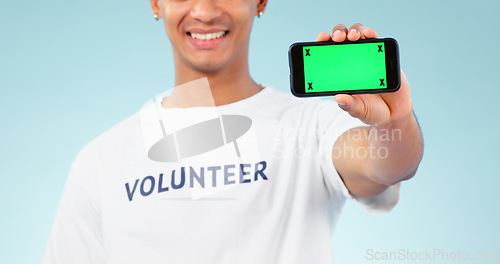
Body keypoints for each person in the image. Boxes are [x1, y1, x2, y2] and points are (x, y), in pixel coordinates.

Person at [43, 0, 424, 263]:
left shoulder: (309, 127)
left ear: (260, 1)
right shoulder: (101, 161)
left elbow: (386, 164)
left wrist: (395, 121)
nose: (205, 11)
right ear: (155, 2)